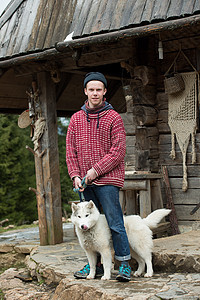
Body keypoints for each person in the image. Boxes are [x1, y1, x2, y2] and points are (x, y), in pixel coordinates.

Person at [66, 72, 131, 282]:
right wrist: (75, 175)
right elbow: (70, 151)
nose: (95, 93)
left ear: (104, 92)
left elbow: (118, 150)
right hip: (85, 183)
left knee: (114, 223)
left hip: (108, 181)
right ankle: (97, 265)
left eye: (99, 89)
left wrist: (95, 170)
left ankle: (124, 264)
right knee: (88, 226)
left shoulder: (114, 118)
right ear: (85, 91)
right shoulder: (76, 119)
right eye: (91, 89)